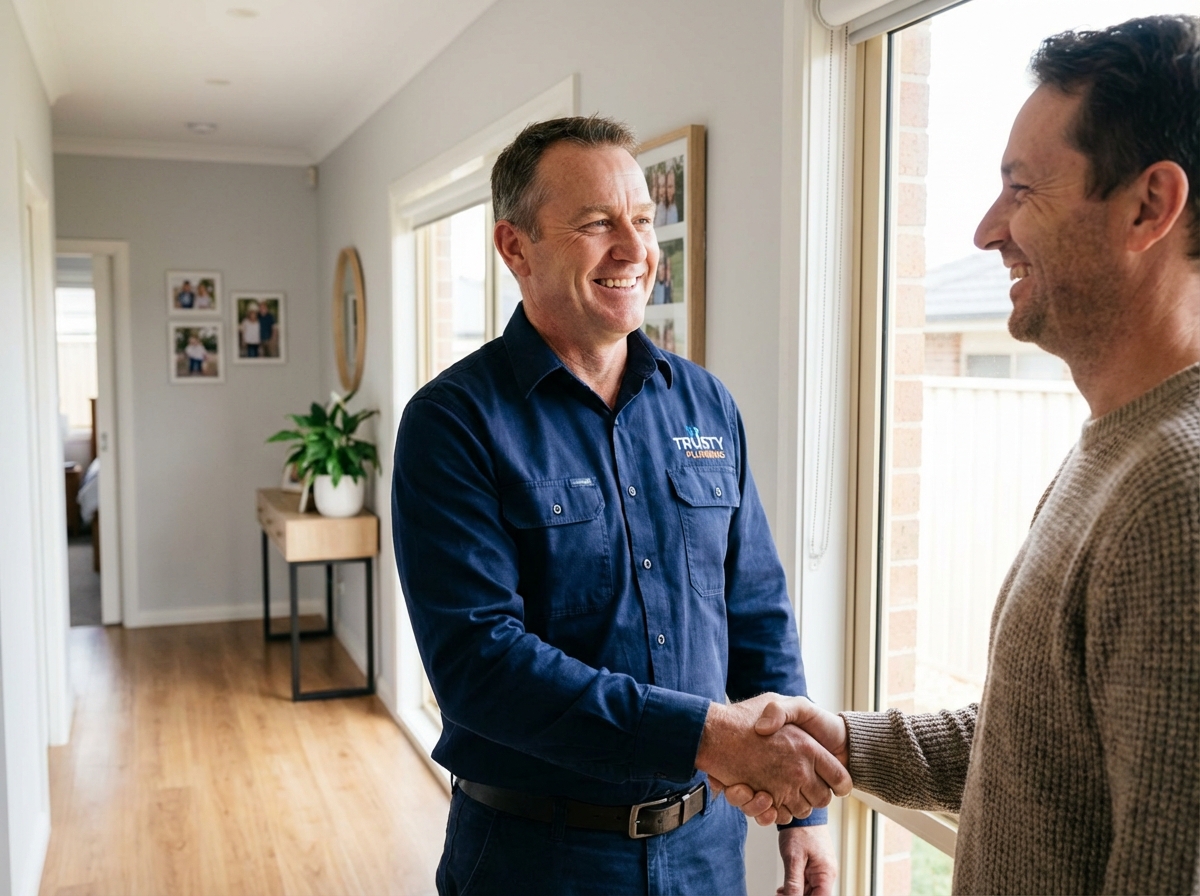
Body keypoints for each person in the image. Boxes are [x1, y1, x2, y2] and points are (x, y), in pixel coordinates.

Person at [725, 16, 1199, 895]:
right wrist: (843, 740)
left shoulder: (1177, 494)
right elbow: (1032, 741)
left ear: (1148, 206)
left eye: (1022, 189)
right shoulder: (1113, 452)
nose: (988, 230)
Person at [392, 116, 849, 896]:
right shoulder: (454, 422)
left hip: (707, 848)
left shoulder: (706, 403)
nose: (636, 250)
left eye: (642, 220)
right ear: (516, 247)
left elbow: (758, 610)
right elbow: (481, 665)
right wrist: (706, 736)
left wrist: (801, 812)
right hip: (537, 857)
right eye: (598, 223)